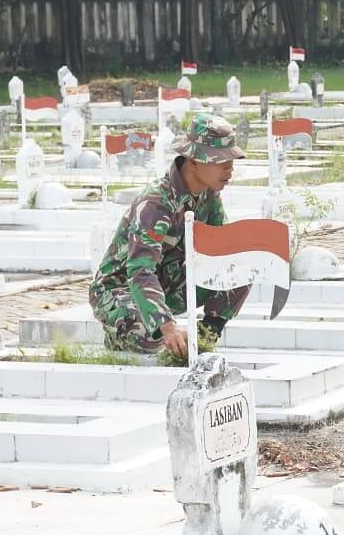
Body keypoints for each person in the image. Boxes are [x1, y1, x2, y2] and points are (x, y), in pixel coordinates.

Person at [91, 113, 252, 356]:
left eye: (231, 160)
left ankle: (205, 336)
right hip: (120, 290)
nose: (230, 168)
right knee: (149, 338)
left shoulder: (208, 195)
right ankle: (120, 332)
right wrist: (166, 327)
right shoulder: (156, 203)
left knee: (241, 264)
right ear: (194, 161)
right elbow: (140, 270)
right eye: (220, 161)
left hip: (168, 283)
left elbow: (223, 249)